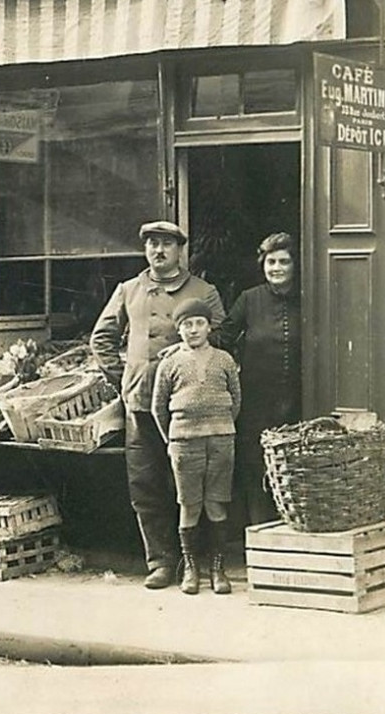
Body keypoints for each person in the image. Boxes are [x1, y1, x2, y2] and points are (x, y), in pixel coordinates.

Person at [89, 220, 226, 589]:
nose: (158, 251)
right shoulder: (129, 290)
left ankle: (195, 563)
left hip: (189, 405)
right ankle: (161, 562)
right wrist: (125, 377)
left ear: (180, 250)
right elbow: (101, 338)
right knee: (146, 484)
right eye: (151, 244)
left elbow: (224, 336)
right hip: (140, 403)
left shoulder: (203, 290)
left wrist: (183, 352)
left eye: (166, 244)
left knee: (193, 485)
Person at [151, 298, 241, 595]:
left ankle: (217, 568)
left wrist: (220, 426)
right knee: (189, 504)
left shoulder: (224, 360)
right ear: (178, 330)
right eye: (186, 325)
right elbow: (157, 407)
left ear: (208, 326)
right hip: (184, 442)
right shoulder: (170, 363)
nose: (193, 330)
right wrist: (173, 439)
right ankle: (191, 568)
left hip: (220, 439)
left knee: (216, 502)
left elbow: (236, 400)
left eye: (198, 323)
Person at [221, 232, 301, 526]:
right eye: (271, 262)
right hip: (256, 402)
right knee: (257, 468)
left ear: (295, 265)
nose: (276, 268)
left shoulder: (309, 296)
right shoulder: (249, 299)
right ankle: (259, 537)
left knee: (294, 469)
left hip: (298, 399)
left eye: (284, 261)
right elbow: (223, 337)